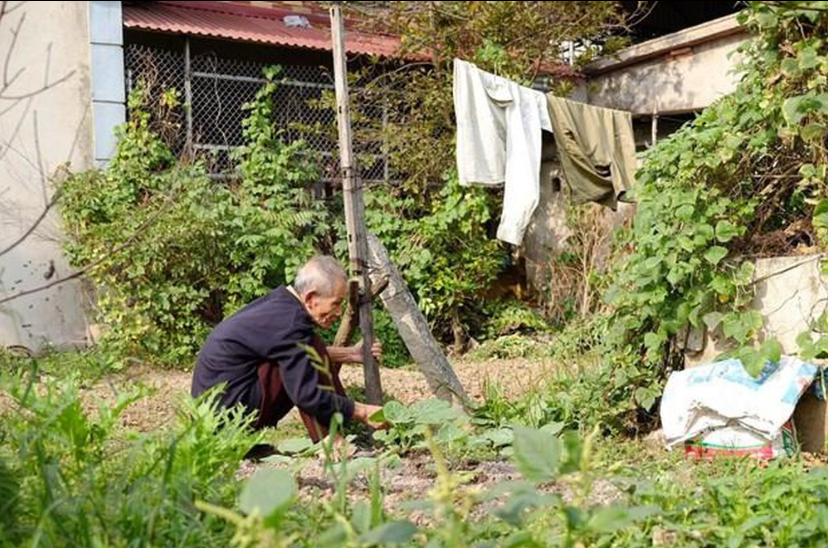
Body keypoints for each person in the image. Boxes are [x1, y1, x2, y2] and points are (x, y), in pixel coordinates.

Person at [191, 255, 387, 445]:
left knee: (309, 350)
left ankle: (335, 432)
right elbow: (307, 394)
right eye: (336, 303)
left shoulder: (281, 306)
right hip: (227, 421)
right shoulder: (291, 323)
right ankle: (331, 442)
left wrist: (352, 354)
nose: (338, 312)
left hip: (216, 415)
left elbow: (293, 352)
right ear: (310, 297)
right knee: (310, 353)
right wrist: (362, 411)